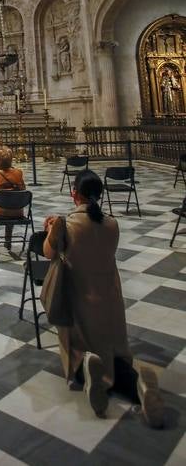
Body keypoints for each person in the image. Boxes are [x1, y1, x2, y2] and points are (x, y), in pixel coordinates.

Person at [43, 169, 164, 427]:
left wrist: (52, 228)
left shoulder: (67, 223)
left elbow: (48, 253)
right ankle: (138, 387)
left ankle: (88, 375)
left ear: (74, 193)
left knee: (76, 353)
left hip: (79, 299)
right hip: (110, 301)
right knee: (116, 356)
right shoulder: (112, 224)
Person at [0, 145, 25, 248]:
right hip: (17, 211)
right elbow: (23, 190)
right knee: (11, 203)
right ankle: (8, 240)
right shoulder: (18, 173)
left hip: (0, 213)